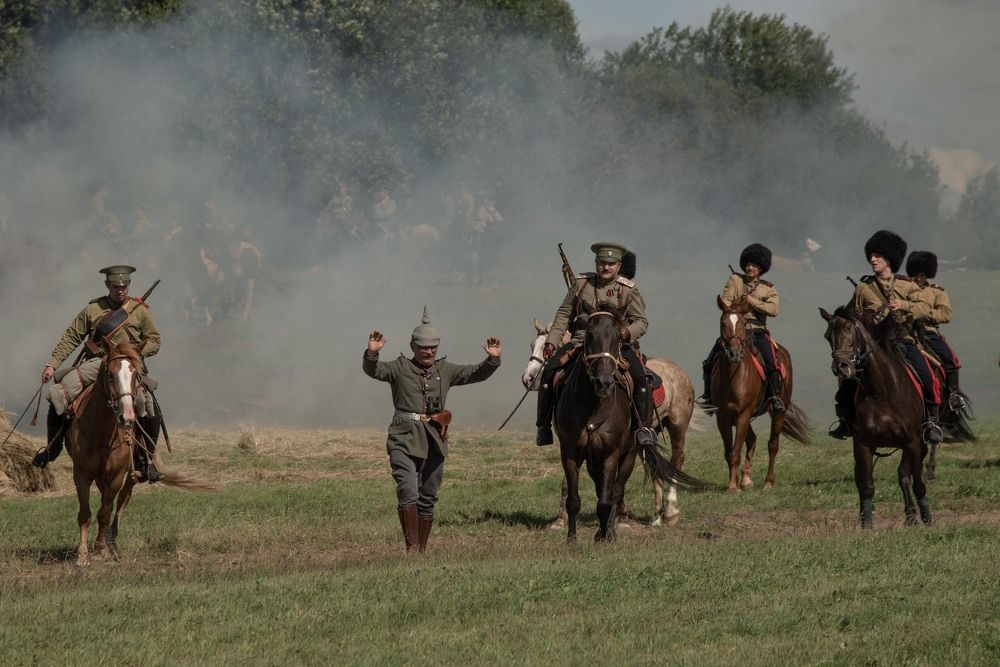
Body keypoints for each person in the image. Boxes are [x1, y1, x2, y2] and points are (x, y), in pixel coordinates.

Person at [363, 306, 502, 553]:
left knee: (428, 496)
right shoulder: (399, 367)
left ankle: (421, 552)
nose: (428, 352)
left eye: (433, 348)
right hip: (404, 438)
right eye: (423, 347)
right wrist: (371, 354)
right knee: (408, 490)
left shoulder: (444, 370)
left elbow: (475, 373)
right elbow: (375, 370)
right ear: (413, 346)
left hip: (435, 439)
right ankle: (411, 550)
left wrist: (492, 360)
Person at [32, 266, 163, 481]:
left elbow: (154, 340)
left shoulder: (140, 311)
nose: (120, 290)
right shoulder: (93, 309)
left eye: (124, 286)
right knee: (58, 394)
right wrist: (52, 364)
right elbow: (72, 336)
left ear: (128, 285)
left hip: (127, 365)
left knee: (149, 407)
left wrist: (134, 353)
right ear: (107, 285)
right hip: (96, 363)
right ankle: (52, 449)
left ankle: (144, 461)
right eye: (115, 286)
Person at [535, 242, 656, 448]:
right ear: (596, 262)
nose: (605, 267)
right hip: (581, 342)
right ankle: (544, 427)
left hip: (615, 344)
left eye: (611, 263)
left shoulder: (628, 290)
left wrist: (626, 332)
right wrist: (551, 342)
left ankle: (643, 428)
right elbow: (564, 314)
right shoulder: (582, 284)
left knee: (640, 378)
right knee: (549, 373)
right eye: (602, 262)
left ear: (618, 265)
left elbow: (641, 322)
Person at [829, 230, 941, 443]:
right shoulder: (863, 287)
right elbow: (854, 316)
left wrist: (903, 305)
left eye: (878, 256)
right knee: (847, 380)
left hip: (902, 342)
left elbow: (925, 308)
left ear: (890, 259)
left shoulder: (907, 285)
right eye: (871, 256)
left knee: (927, 376)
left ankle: (931, 422)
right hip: (874, 346)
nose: (873, 259)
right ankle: (846, 420)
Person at [699, 243, 784, 412]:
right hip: (735, 329)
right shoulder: (734, 280)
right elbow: (726, 301)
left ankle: (775, 397)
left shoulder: (768, 288)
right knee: (710, 360)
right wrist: (738, 306)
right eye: (748, 265)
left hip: (757, 330)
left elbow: (773, 310)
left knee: (771, 361)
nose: (750, 268)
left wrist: (752, 302)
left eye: (754, 266)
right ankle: (709, 395)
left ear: (761, 269)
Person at [906, 250, 967, 412]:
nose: (919, 278)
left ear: (928, 275)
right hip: (906, 332)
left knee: (951, 360)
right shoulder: (903, 288)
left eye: (923, 275)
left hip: (928, 332)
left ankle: (954, 394)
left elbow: (946, 314)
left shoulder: (937, 291)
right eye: (917, 274)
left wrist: (924, 313)